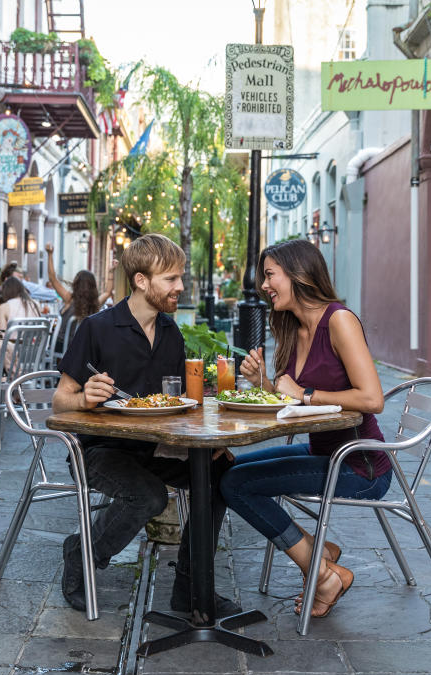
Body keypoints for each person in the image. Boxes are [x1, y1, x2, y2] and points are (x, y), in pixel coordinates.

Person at [53, 234, 239, 616]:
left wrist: (206, 441)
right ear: (141, 281)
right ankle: (82, 555)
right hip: (99, 450)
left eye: (180, 277)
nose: (180, 287)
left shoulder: (170, 331)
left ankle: (190, 588)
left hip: (152, 447)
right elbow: (60, 401)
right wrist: (85, 398)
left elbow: (174, 403)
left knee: (221, 474)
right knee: (149, 496)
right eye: (171, 279)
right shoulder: (97, 328)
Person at [219, 239, 391, 618]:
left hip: (358, 464)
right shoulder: (295, 328)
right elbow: (291, 399)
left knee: (236, 485)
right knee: (227, 470)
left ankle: (322, 574)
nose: (263, 286)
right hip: (322, 451)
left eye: (269, 275)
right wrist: (265, 384)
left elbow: (372, 399)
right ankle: (320, 552)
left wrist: (305, 392)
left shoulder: (339, 321)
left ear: (297, 274)